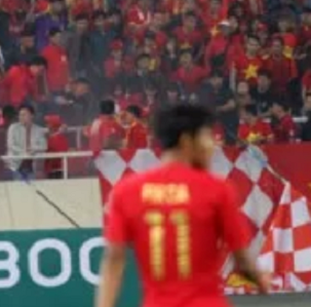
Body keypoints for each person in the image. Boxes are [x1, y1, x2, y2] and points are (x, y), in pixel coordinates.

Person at [96, 103, 270, 307]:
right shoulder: (216, 189)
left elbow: (113, 260)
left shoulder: (127, 192)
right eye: (207, 137)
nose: (212, 145)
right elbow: (242, 258)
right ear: (187, 141)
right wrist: (260, 279)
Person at [6, 104, 47, 180]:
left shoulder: (38, 129)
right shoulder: (13, 128)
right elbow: (11, 145)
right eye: (20, 115)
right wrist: (25, 152)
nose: (21, 117)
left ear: (32, 115)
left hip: (32, 166)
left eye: (24, 115)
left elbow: (44, 146)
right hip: (16, 165)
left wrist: (33, 149)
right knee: (18, 189)